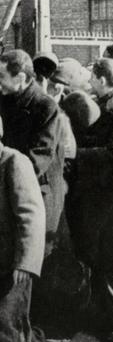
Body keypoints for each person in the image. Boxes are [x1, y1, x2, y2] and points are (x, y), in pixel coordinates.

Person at [66, 59, 113, 342]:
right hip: (92, 196)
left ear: (101, 79)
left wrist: (78, 155)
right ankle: (104, 319)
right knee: (94, 258)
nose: (90, 82)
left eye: (93, 77)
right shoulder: (99, 107)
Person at [0, 115, 45, 342]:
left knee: (8, 328)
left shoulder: (13, 163)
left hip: (11, 267)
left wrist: (26, 263)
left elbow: (31, 214)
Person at [0, 50, 66, 259]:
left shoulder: (45, 107)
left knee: (30, 260)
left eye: (2, 77)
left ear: (20, 78)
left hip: (35, 196)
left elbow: (38, 159)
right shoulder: (6, 99)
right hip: (8, 191)